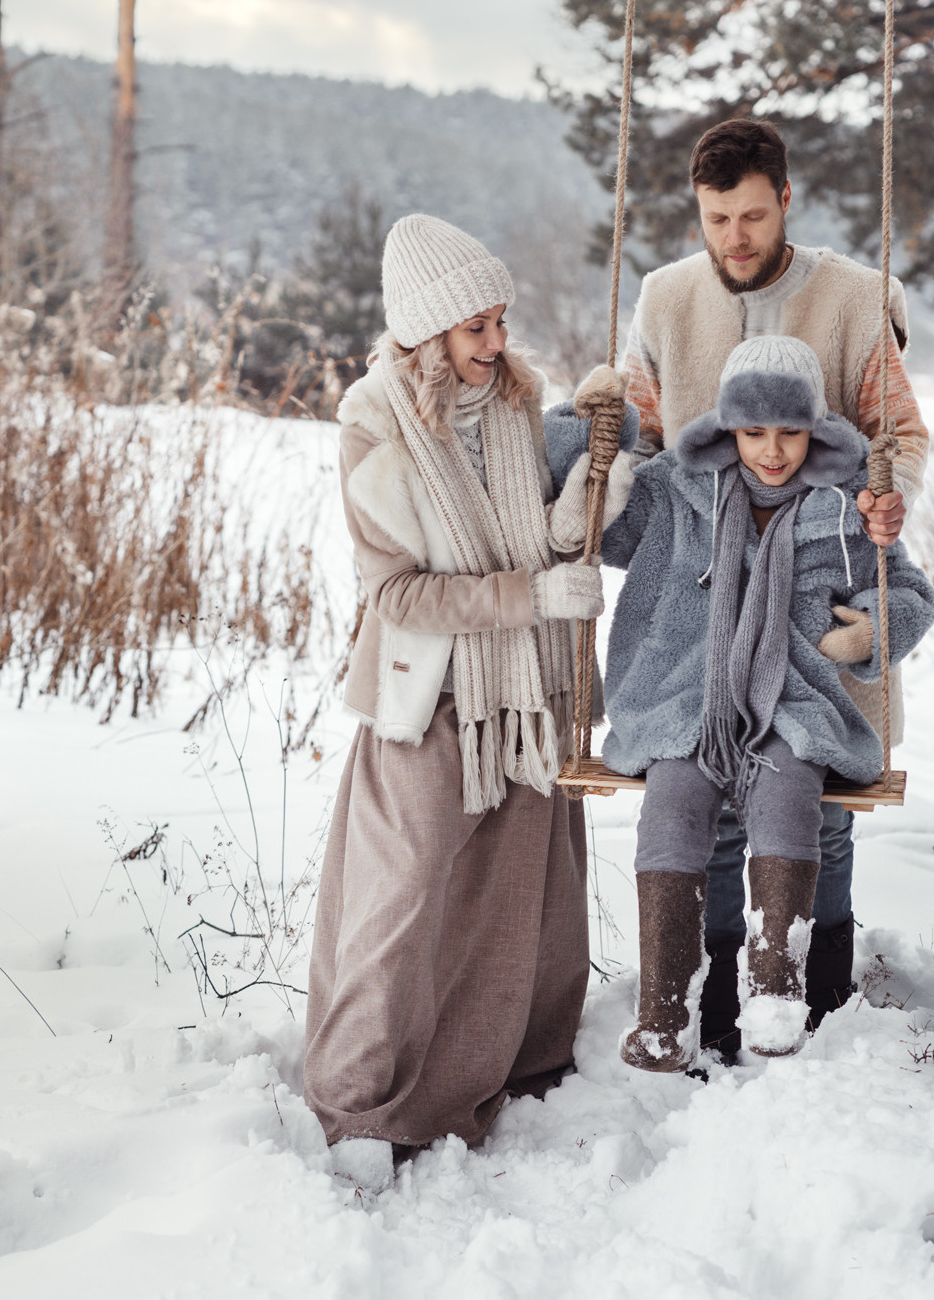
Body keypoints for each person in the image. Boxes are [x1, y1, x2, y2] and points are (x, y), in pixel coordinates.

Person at [572, 118, 933, 1058]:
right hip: (701, 597)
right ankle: (714, 1006)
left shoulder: (851, 299)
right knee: (708, 812)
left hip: (821, 588)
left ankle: (821, 1000)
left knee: (822, 811)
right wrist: (604, 439)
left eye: (753, 216)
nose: (734, 238)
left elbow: (900, 433)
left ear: (785, 201)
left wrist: (878, 502)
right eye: (716, 218)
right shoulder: (666, 298)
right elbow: (642, 439)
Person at [303, 214, 605, 1195]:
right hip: (430, 699)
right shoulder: (374, 426)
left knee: (522, 900)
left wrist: (583, 497)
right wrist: (529, 596)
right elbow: (396, 594)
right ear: (427, 333)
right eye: (476, 326)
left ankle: (510, 1071)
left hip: (523, 692)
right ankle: (360, 1101)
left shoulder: (517, 406)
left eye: (500, 320)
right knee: (397, 903)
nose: (496, 341)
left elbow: (537, 536)